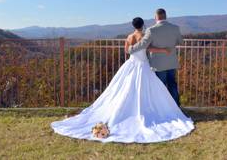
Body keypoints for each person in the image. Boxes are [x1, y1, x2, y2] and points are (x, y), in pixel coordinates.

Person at [51, 16, 194, 143]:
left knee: (122, 90)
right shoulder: (145, 36)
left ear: (133, 26)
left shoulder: (129, 37)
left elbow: (127, 51)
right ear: (143, 25)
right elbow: (150, 49)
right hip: (143, 66)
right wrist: (164, 50)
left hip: (131, 64)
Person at [128, 9, 183, 106]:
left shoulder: (151, 30)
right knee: (172, 85)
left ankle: (162, 106)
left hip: (158, 63)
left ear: (156, 17)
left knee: (160, 87)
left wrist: (131, 49)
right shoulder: (175, 28)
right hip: (171, 61)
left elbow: (143, 44)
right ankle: (176, 106)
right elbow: (180, 42)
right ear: (166, 16)